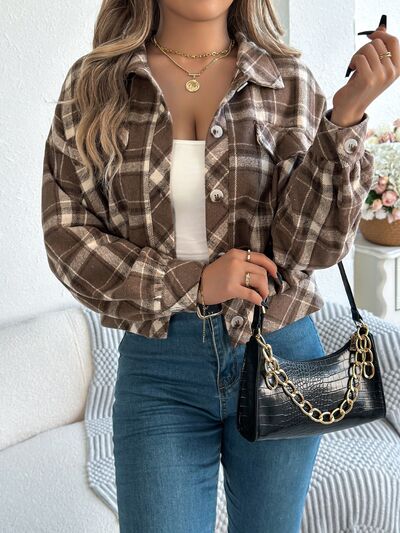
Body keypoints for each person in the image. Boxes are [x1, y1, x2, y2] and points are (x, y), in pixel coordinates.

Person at [41, 1, 399, 531]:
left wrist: (345, 118)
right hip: (160, 369)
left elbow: (313, 250)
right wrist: (192, 283)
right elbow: (67, 238)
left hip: (282, 352)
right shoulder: (95, 86)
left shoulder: (289, 82)